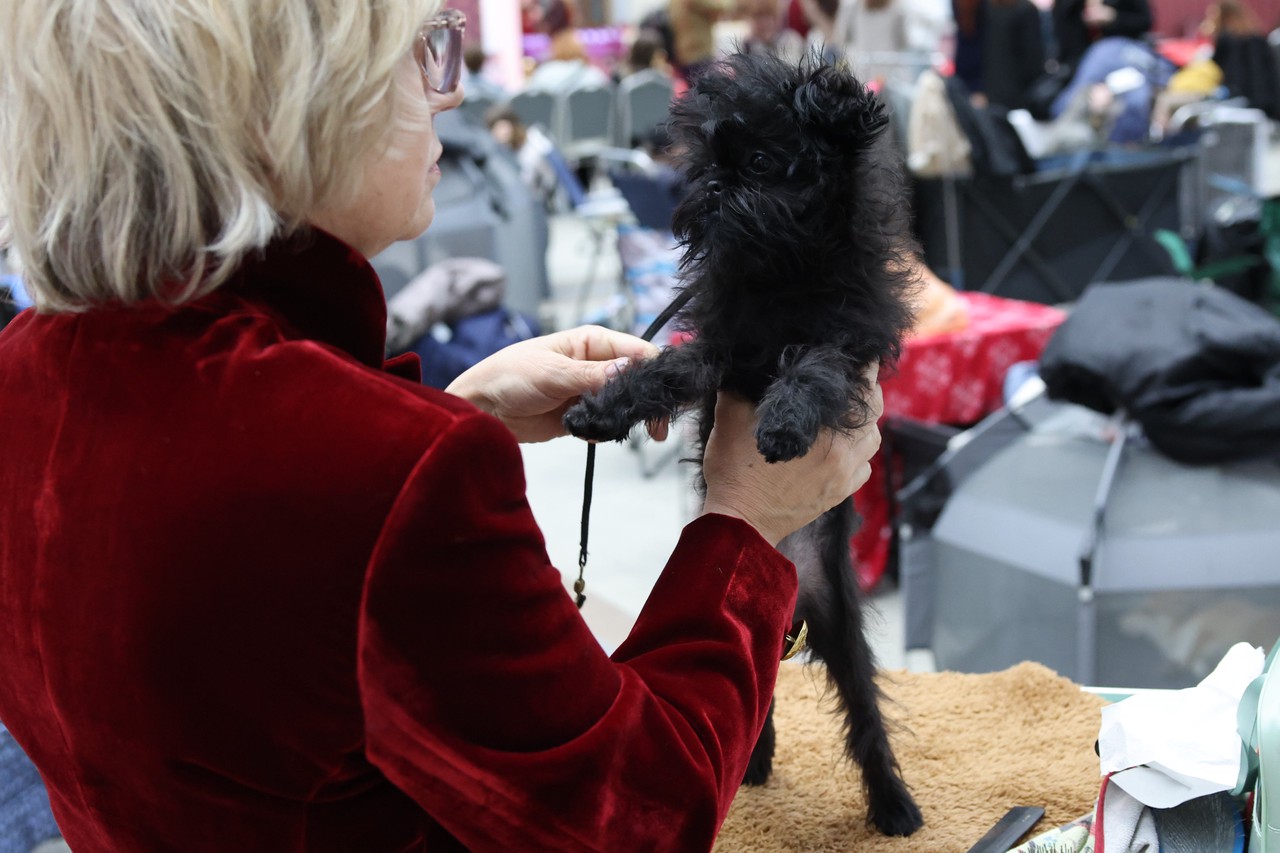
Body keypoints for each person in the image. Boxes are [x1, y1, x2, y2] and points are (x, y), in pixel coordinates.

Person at [0, 2, 885, 850]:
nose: (448, 92)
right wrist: (745, 524)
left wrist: (447, 412)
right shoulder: (385, 473)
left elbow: (265, 610)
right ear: (299, 100)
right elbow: (637, 816)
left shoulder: (22, 372)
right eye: (421, 50)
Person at [951, 0, 1047, 111]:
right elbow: (1033, 62)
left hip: (986, 96)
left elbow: (966, 56)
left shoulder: (980, 7)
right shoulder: (1025, 9)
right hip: (1018, 98)